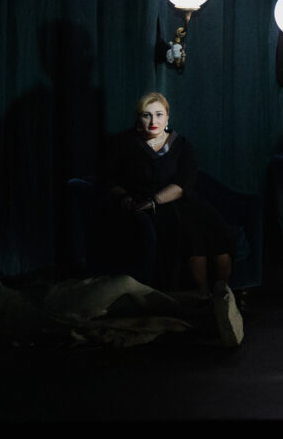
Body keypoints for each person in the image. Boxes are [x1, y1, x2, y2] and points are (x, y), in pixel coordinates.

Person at [103, 92, 242, 345]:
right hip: (148, 210)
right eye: (146, 115)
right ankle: (201, 297)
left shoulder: (180, 144)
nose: (153, 121)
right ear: (138, 119)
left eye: (159, 115)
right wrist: (125, 198)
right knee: (189, 233)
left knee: (213, 229)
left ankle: (223, 295)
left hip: (177, 200)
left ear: (167, 117)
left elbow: (184, 183)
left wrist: (155, 200)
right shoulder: (125, 143)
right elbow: (109, 180)